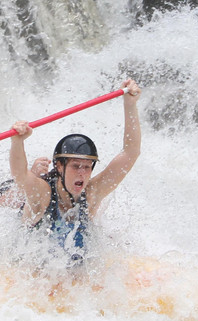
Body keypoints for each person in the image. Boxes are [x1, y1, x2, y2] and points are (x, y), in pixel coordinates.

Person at [8, 78, 141, 263]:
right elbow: (20, 175)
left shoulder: (92, 193)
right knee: (11, 194)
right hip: (33, 268)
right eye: (75, 166)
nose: (82, 173)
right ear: (59, 167)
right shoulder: (44, 194)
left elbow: (130, 152)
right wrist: (18, 142)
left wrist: (130, 104)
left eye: (87, 167)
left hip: (71, 269)